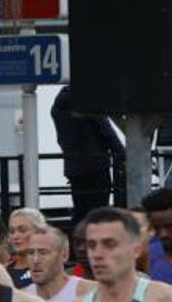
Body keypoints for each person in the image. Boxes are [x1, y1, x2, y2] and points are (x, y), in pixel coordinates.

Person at [51, 85, 126, 225]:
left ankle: (77, 243)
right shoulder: (89, 104)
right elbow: (106, 132)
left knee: (80, 211)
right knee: (99, 212)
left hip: (74, 166)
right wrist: (123, 153)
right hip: (96, 164)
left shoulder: (57, 107)